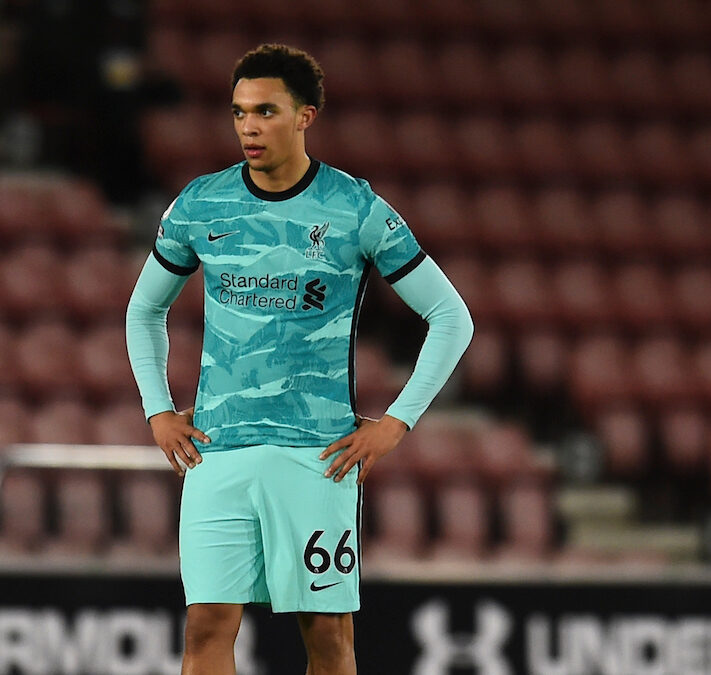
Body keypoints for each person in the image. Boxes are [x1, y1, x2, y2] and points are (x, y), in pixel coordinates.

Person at [126, 43, 473, 675]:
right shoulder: (200, 205)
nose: (248, 128)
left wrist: (396, 423)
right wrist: (157, 411)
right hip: (218, 450)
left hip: (316, 457)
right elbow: (144, 310)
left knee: (327, 637)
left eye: (265, 111)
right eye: (238, 113)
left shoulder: (355, 208)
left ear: (305, 116)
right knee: (205, 626)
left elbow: (452, 318)